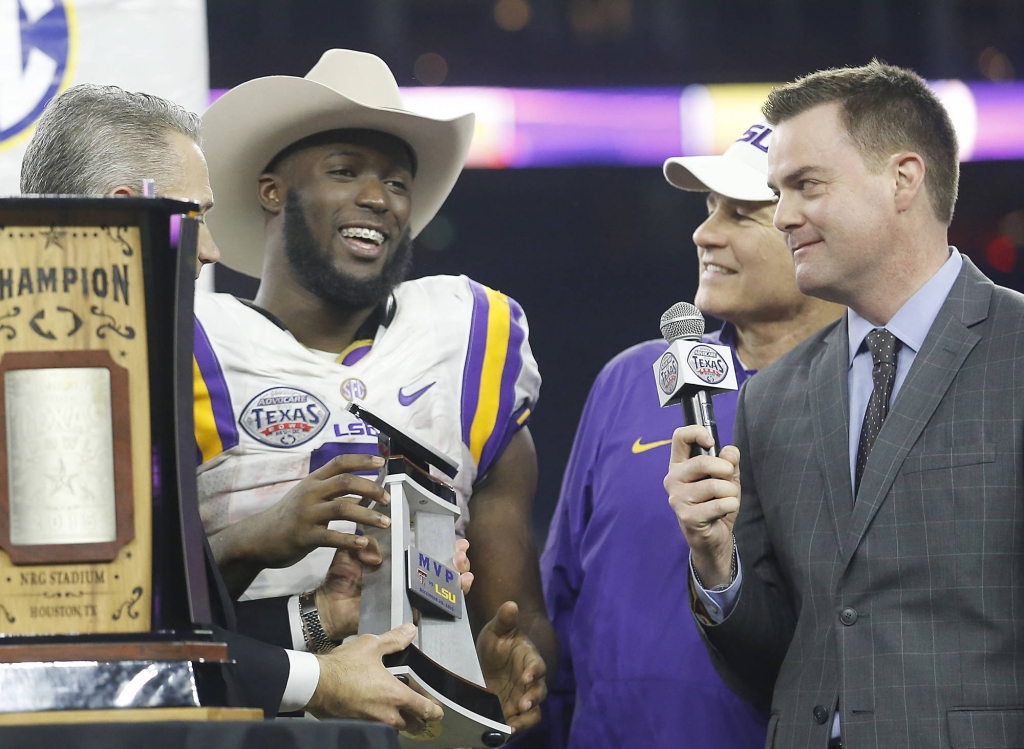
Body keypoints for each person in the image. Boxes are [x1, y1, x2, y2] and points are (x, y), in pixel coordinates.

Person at [19, 83, 472, 731]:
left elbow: (158, 632)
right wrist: (323, 678)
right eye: (194, 218)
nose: (209, 251)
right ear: (128, 211)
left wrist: (323, 613)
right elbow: (92, 651)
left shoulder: (102, 368)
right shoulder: (51, 381)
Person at [666, 60, 1024, 749]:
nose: (787, 215)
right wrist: (717, 564)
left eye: (805, 186)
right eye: (778, 191)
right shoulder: (771, 396)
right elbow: (773, 658)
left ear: (903, 179)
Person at [193, 49, 552, 731]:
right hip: (247, 729)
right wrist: (255, 536)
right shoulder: (189, 344)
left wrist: (506, 668)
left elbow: (520, 616)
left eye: (396, 180)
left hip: (422, 736)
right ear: (272, 190)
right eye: (344, 169)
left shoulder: (470, 338)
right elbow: (149, 616)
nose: (377, 197)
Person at [538, 122, 843, 749]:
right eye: (709, 209)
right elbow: (560, 592)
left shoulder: (873, 395)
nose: (706, 233)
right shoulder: (631, 378)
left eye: (742, 213)